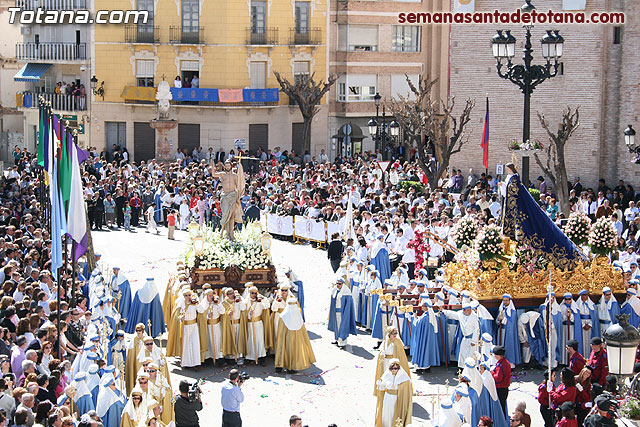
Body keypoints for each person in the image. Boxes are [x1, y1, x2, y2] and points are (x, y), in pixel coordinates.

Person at [374, 359, 412, 427]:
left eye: (395, 368)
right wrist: (380, 385)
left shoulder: (404, 378)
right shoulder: (386, 376)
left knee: (394, 414)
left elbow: (406, 389)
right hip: (388, 397)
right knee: (387, 414)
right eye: (392, 368)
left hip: (397, 399)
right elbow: (382, 389)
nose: (394, 370)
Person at [327, 278, 357, 349]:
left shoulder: (346, 292)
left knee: (343, 327)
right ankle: (337, 340)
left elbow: (348, 306)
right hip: (336, 312)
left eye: (339, 284)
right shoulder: (336, 291)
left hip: (343, 313)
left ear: (343, 284)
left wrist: (345, 314)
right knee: (337, 326)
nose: (338, 285)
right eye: (337, 283)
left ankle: (343, 343)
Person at [491, 345, 511, 418]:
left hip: (500, 388)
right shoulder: (505, 362)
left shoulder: (502, 365)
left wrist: (492, 372)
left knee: (500, 407)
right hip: (504, 387)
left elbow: (498, 378)